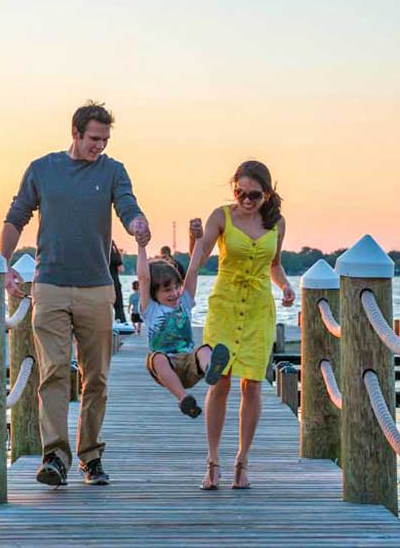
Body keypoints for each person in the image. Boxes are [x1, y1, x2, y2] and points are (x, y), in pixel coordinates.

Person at [1, 101, 150, 487]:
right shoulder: (42, 169)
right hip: (48, 285)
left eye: (105, 140)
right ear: (76, 133)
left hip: (97, 289)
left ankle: (90, 456)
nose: (99, 146)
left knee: (96, 377)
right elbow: (17, 215)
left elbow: (127, 206)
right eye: (94, 139)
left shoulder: (113, 171)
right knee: (53, 372)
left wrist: (137, 223)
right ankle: (55, 456)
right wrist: (2, 262)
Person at [189, 160, 295, 490]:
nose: (246, 200)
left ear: (267, 194)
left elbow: (274, 265)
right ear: (234, 187)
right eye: (241, 193)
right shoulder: (221, 216)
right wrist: (193, 244)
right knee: (219, 381)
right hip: (225, 305)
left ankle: (242, 462)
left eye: (254, 195)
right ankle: (213, 462)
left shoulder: (276, 222)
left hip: (259, 308)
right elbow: (202, 254)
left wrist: (286, 286)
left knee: (252, 384)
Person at [136, 228, 230, 419]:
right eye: (167, 290)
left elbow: (194, 269)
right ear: (155, 295)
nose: (174, 293)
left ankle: (211, 369)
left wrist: (199, 239)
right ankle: (184, 398)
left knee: (205, 350)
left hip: (188, 363)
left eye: (176, 287)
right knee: (157, 358)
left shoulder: (184, 301)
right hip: (166, 366)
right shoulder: (150, 309)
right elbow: (144, 278)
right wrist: (141, 246)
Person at [110, 240, 126, 323]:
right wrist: (120, 257)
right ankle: (120, 323)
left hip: (99, 283)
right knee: (119, 308)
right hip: (113, 281)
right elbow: (121, 269)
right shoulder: (111, 244)